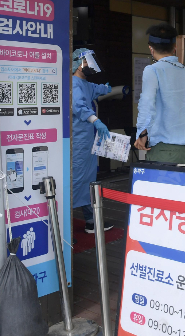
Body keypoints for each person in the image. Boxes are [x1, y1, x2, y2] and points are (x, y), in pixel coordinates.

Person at [134, 23, 185, 163]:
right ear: (175, 47)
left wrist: (142, 133)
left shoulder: (153, 70)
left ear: (151, 48)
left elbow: (147, 103)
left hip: (163, 150)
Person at [72, 48, 114, 233]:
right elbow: (79, 106)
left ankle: (91, 221)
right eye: (87, 61)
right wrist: (95, 120)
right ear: (78, 63)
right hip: (79, 142)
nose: (90, 64)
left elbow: (97, 89)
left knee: (89, 180)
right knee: (77, 180)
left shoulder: (85, 84)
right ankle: (65, 225)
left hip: (87, 142)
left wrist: (107, 88)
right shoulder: (73, 84)